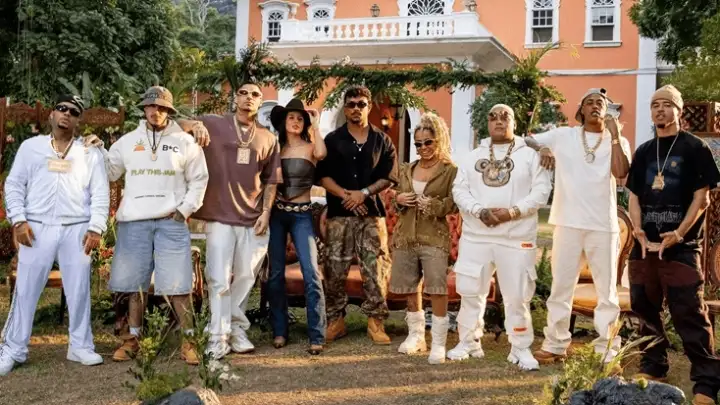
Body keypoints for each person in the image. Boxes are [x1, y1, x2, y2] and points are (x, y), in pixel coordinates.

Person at [1, 95, 109, 375]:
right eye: (62, 109)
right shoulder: (30, 147)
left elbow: (100, 192)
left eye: (73, 112)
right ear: (51, 115)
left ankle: (80, 346)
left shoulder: (89, 152)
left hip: (77, 228)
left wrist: (96, 227)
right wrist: (18, 220)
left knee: (79, 289)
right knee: (26, 289)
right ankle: (13, 348)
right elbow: (14, 185)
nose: (66, 114)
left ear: (78, 120)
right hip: (36, 227)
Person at [626, 85, 720, 405]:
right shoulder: (644, 151)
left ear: (679, 111)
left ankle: (707, 381)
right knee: (644, 307)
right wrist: (637, 230)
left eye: (667, 104)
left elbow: (702, 199)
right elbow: (634, 196)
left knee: (689, 313)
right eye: (655, 105)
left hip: (681, 246)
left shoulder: (695, 147)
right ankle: (654, 365)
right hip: (645, 245)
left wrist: (679, 234)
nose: (660, 110)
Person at [101, 86, 209, 365]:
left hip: (170, 221)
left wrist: (184, 210)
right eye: (151, 106)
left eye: (162, 107)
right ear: (144, 108)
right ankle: (132, 340)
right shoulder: (127, 141)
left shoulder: (185, 142)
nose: (156, 111)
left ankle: (189, 340)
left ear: (169, 111)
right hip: (133, 222)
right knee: (132, 284)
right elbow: (109, 172)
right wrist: (95, 149)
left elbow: (199, 179)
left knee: (179, 284)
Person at [527, 88, 632, 368]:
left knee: (607, 291)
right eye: (590, 102)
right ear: (581, 110)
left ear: (608, 111)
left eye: (601, 103)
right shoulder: (564, 136)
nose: (596, 106)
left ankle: (607, 348)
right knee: (561, 287)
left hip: (603, 225)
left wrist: (615, 135)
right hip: (568, 223)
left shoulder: (618, 141)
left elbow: (621, 172)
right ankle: (555, 344)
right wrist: (543, 148)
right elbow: (526, 140)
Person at [183, 82, 282, 359]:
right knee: (218, 278)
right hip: (220, 217)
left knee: (246, 276)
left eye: (255, 95)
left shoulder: (268, 138)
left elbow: (271, 180)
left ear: (260, 102)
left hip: (253, 218)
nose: (249, 98)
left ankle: (235, 328)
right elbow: (175, 124)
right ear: (235, 98)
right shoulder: (213, 123)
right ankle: (218, 336)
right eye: (243, 93)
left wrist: (266, 212)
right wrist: (194, 125)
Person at [450, 104, 551, 370]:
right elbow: (459, 190)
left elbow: (541, 192)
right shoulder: (472, 156)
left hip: (516, 237)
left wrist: (512, 212)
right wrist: (479, 211)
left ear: (514, 123)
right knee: (470, 291)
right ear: (487, 123)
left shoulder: (530, 156)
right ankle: (468, 341)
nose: (498, 120)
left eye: (505, 116)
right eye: (492, 116)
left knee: (517, 296)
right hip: (477, 236)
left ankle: (520, 347)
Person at [317, 85, 399, 344]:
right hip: (339, 215)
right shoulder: (332, 140)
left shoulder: (382, 140)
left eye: (361, 104)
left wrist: (363, 194)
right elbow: (322, 176)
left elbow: (390, 176)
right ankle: (336, 320)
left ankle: (376, 321)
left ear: (369, 106)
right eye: (351, 104)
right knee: (334, 267)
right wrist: (347, 196)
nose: (356, 108)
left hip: (371, 215)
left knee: (376, 267)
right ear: (345, 108)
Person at [390, 112, 457, 364]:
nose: (423, 148)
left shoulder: (450, 171)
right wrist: (399, 199)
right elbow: (395, 198)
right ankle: (416, 336)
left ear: (439, 140)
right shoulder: (408, 169)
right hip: (406, 235)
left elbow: (455, 203)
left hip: (434, 237)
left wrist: (435, 205)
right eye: (418, 144)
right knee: (410, 287)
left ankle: (438, 342)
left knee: (436, 288)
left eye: (428, 142)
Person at [266, 98, 327, 355]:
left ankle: (317, 334)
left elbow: (322, 154)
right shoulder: (276, 149)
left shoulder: (311, 147)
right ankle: (280, 330)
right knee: (276, 273)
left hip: (302, 215)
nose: (295, 121)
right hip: (277, 214)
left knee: (311, 272)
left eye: (300, 118)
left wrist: (316, 125)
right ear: (283, 122)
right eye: (291, 117)